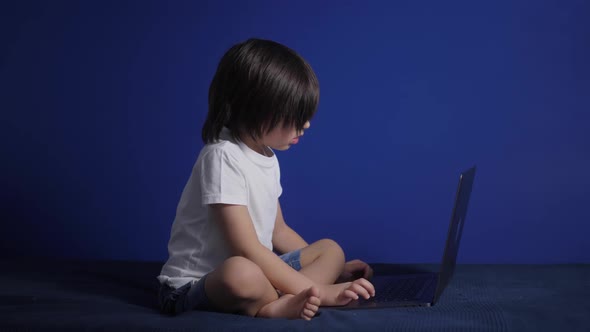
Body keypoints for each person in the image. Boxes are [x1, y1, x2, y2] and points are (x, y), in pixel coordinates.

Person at [157, 38, 375, 321]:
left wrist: (334, 268)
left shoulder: (267, 157)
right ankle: (271, 308)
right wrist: (323, 290)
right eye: (295, 117)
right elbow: (246, 248)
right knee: (241, 271)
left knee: (330, 250)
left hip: (257, 270)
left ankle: (284, 298)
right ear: (253, 108)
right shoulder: (223, 157)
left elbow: (279, 232)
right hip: (196, 285)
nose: (305, 125)